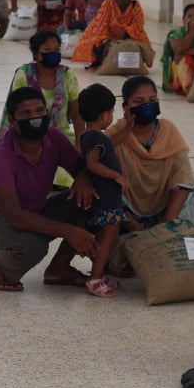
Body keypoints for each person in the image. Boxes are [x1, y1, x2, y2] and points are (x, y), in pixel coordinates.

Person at [0, 87, 97, 292]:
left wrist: (82, 178)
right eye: (26, 114)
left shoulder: (52, 137)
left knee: (92, 198)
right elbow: (15, 217)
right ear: (12, 121)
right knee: (33, 247)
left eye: (40, 111)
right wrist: (70, 232)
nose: (35, 118)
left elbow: (78, 166)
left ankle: (58, 269)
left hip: (36, 210)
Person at [104, 76, 194, 228]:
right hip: (126, 213)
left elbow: (183, 177)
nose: (147, 106)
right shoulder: (117, 133)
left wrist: (167, 225)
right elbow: (96, 156)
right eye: (139, 102)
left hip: (164, 210)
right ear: (125, 107)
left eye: (152, 99)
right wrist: (136, 228)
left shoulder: (168, 130)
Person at [78, 84, 128, 298]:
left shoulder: (90, 136)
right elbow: (92, 163)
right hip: (107, 200)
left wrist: (127, 128)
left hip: (108, 199)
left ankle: (98, 273)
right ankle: (95, 279)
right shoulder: (96, 137)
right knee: (108, 237)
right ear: (104, 114)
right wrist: (116, 176)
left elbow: (110, 142)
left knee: (107, 237)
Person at [0, 30, 84, 145]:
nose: (53, 53)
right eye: (47, 49)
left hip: (61, 137)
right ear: (36, 54)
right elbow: (16, 111)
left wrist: (80, 143)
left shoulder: (67, 75)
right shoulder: (24, 74)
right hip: (27, 136)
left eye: (57, 49)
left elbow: (76, 112)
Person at [71, 0, 151, 68]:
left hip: (130, 36)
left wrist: (124, 31)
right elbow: (101, 24)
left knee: (140, 47)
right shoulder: (109, 3)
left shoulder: (135, 5)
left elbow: (138, 25)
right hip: (108, 37)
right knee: (96, 45)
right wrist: (107, 42)